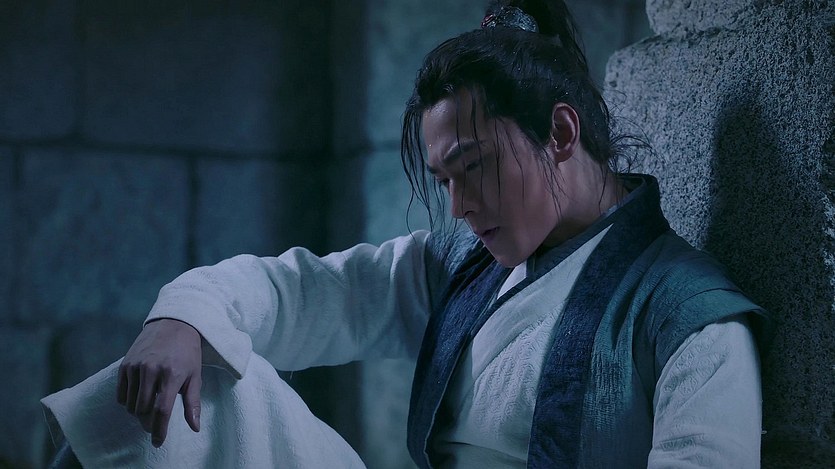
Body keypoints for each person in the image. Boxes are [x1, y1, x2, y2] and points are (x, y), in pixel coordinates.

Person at [42, 0, 773, 467]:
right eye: (443, 179)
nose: (458, 208)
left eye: (474, 167)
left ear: (559, 132)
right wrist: (180, 320)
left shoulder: (687, 316)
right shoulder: (466, 265)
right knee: (185, 394)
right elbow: (302, 292)